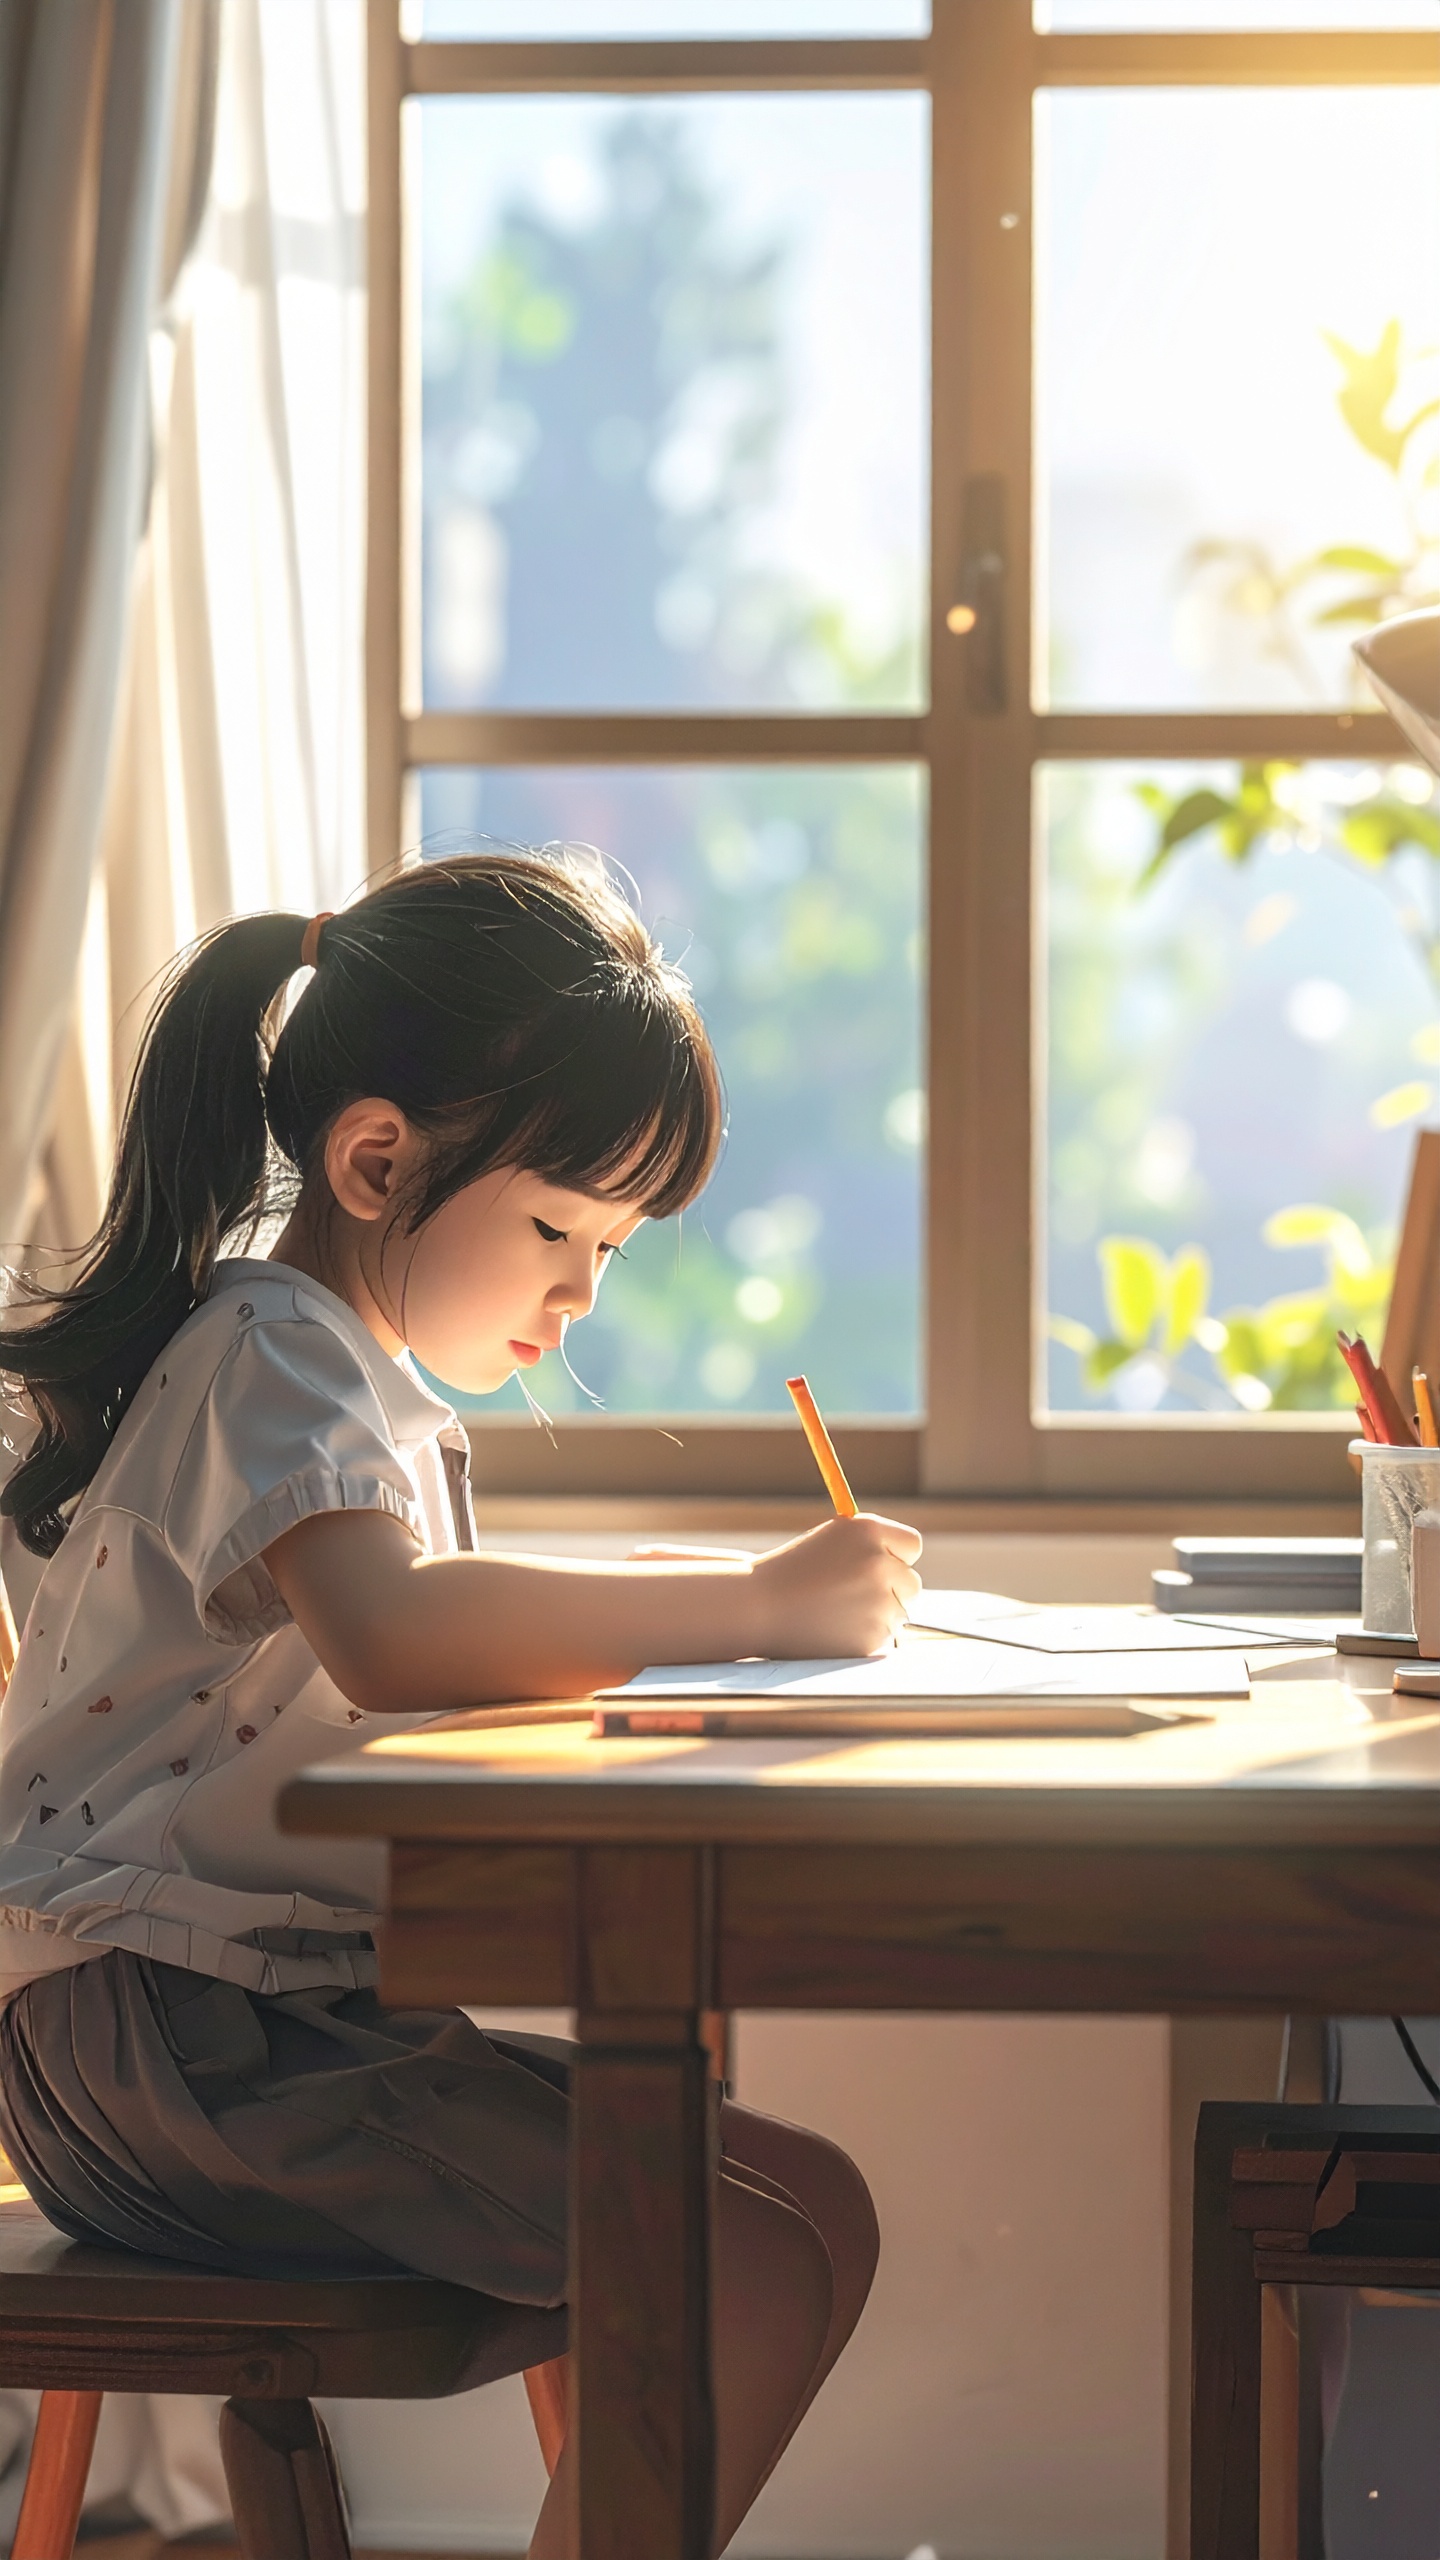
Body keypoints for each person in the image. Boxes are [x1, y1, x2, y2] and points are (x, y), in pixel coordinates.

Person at [0, 850, 921, 2557]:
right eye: (562, 1229)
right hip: (165, 2049)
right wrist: (746, 1606)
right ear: (376, 1160)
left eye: (617, 1247)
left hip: (237, 2035)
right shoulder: (275, 1354)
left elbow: (409, 1656)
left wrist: (686, 1627)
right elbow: (399, 1642)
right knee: (744, 2255)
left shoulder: (340, 1389)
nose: (583, 1290)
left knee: (817, 2211)